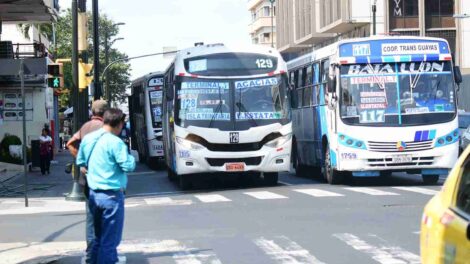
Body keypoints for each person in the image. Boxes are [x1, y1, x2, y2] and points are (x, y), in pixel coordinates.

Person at [76, 108, 136, 264]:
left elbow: (80, 161)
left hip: (93, 195)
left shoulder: (88, 139)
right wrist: (131, 159)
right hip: (111, 197)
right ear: (119, 124)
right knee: (109, 242)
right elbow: (128, 166)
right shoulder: (116, 143)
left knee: (97, 238)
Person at [66, 99, 108, 264]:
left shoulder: (85, 127)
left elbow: (70, 143)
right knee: (106, 217)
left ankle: (91, 252)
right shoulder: (105, 128)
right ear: (104, 113)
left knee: (91, 218)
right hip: (103, 178)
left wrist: (81, 161)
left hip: (87, 179)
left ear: (93, 111)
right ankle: (103, 252)